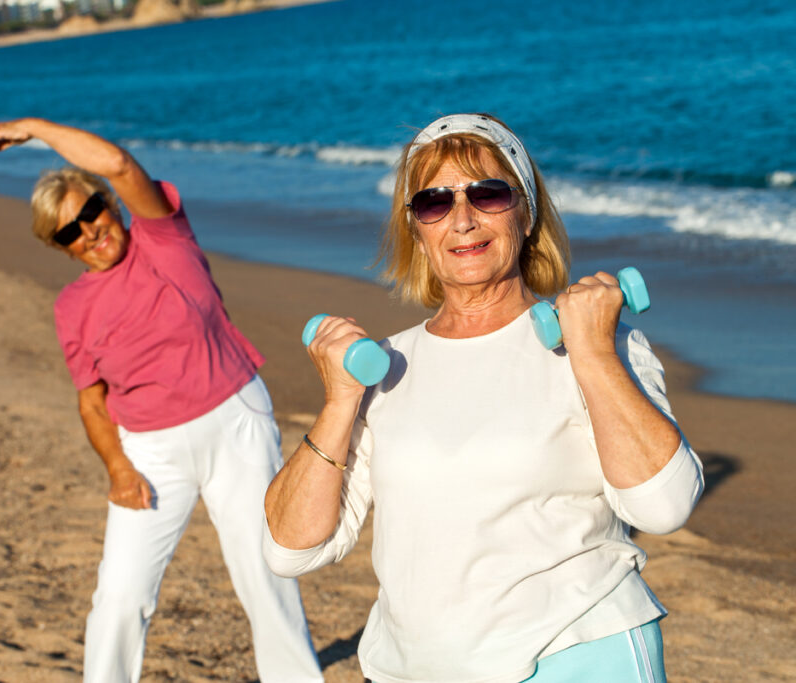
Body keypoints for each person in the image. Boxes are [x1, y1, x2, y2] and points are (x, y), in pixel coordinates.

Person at [262, 113, 704, 683]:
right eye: (434, 203)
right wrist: (340, 402)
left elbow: (663, 509)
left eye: (489, 194)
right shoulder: (387, 367)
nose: (463, 219)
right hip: (409, 669)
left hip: (574, 655)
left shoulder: (597, 343)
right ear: (417, 230)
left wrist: (594, 355)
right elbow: (290, 551)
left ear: (526, 214)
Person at [0, 118, 322, 683]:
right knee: (120, 595)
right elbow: (91, 402)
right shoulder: (72, 309)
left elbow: (120, 164)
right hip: (150, 453)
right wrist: (117, 467)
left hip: (236, 422)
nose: (89, 231)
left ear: (109, 204)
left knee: (265, 575)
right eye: (69, 233)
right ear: (59, 247)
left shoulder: (163, 237)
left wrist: (34, 128)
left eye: (92, 212)